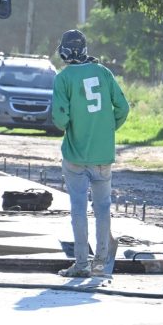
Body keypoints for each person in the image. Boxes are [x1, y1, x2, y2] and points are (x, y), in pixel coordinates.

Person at [52, 29, 129, 278]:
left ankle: (81, 264)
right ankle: (101, 262)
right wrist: (107, 128)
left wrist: (75, 121)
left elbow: (60, 119)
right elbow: (123, 108)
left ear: (64, 51)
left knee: (78, 208)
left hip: (75, 156)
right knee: (103, 208)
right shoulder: (103, 72)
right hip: (103, 154)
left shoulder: (63, 78)